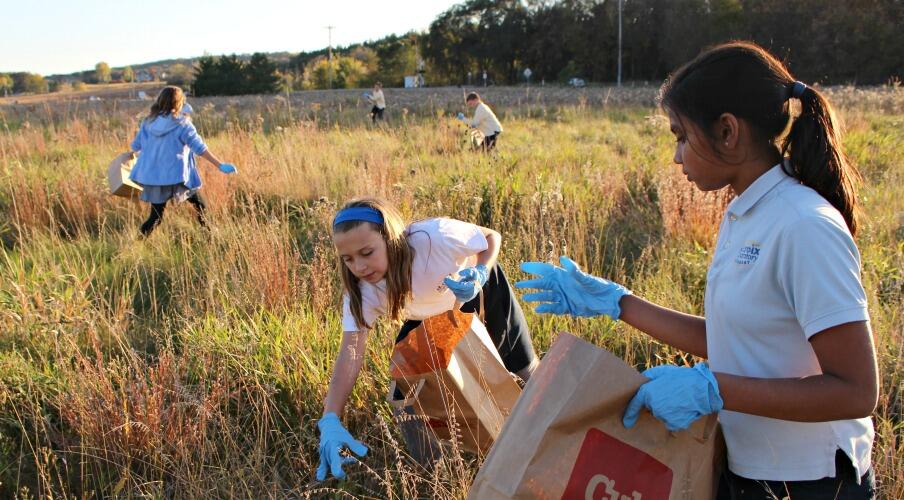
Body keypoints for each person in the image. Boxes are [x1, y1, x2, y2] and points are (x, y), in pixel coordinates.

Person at [516, 41, 877, 499]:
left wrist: (713, 390)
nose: (676, 156)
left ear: (727, 131)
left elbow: (856, 391)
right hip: (747, 471)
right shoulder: (745, 213)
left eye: (681, 137)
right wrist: (617, 301)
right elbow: (737, 341)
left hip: (813, 483)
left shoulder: (803, 225)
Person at [316, 197, 539, 481]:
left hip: (474, 290)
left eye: (367, 252)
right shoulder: (361, 291)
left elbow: (489, 237)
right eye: (348, 259)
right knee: (405, 397)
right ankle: (433, 478)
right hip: (425, 315)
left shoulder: (434, 238)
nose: (359, 266)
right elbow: (350, 354)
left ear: (391, 238)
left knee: (522, 369)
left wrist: (480, 272)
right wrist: (330, 418)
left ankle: (548, 434)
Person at [128, 86, 237, 236]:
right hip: (176, 176)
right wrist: (220, 165)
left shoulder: (148, 123)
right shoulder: (183, 124)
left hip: (154, 178)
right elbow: (199, 148)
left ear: (160, 101)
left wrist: (128, 160)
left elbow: (135, 146)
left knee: (156, 217)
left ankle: (136, 245)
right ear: (179, 103)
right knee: (200, 206)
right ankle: (212, 235)